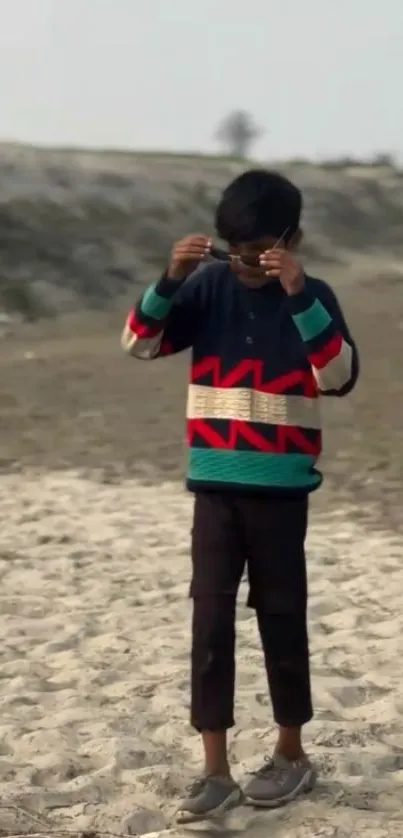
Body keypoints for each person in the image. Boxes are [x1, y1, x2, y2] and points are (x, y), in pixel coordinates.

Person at [121, 169, 359, 822]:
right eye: (236, 248)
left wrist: (298, 292)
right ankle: (215, 769)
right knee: (209, 625)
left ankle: (290, 755)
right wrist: (171, 277)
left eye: (260, 248)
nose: (246, 262)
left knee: (281, 619)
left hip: (281, 492)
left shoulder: (311, 295)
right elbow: (139, 343)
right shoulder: (204, 288)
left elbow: (337, 376)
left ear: (290, 239)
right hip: (214, 490)